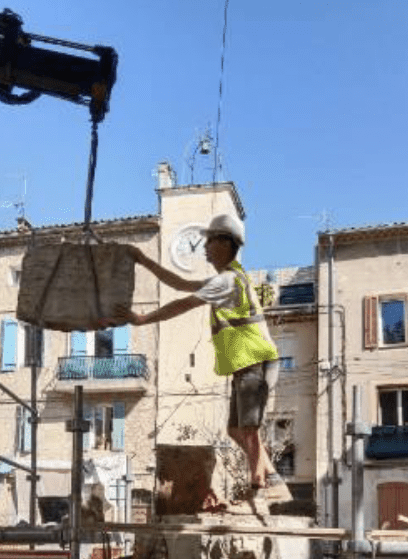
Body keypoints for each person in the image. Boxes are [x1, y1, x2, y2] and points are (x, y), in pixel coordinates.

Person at [117, 213, 291, 504]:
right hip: (247, 363)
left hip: (254, 361)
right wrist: (144, 261)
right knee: (236, 430)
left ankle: (262, 487)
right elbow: (181, 284)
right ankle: (271, 479)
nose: (205, 248)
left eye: (209, 241)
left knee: (248, 429)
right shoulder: (226, 279)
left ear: (225, 243)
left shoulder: (227, 281)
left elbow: (184, 302)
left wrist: (143, 318)